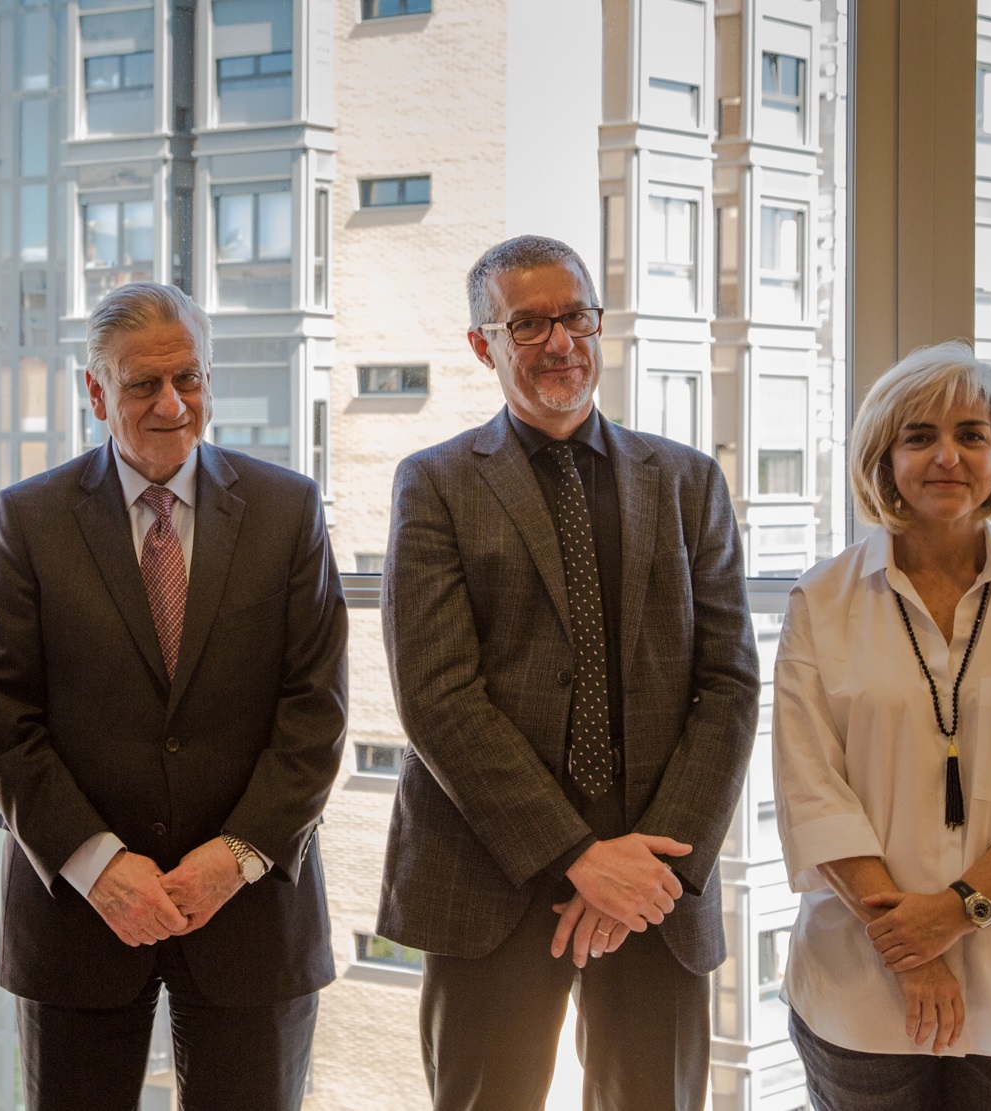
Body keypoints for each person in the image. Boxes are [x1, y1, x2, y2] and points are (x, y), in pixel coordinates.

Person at [377, 235, 760, 1110]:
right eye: (528, 322)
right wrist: (576, 855)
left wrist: (646, 869)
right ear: (483, 343)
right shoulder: (432, 484)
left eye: (576, 316)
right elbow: (437, 696)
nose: (559, 341)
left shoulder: (687, 482)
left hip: (653, 887)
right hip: (487, 878)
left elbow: (730, 684)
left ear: (599, 321)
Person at [0, 281, 347, 1110]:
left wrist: (237, 854)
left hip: (252, 914)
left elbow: (314, 710)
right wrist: (98, 864)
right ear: (96, 391)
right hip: (79, 915)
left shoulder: (288, 508)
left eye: (189, 378)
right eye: (144, 383)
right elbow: (3, 715)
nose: (171, 403)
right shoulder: (28, 518)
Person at [771, 341, 991, 1109]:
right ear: (882, 458)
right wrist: (910, 951)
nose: (945, 455)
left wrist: (952, 915)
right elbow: (810, 791)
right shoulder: (818, 603)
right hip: (860, 989)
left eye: (970, 434)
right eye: (917, 435)